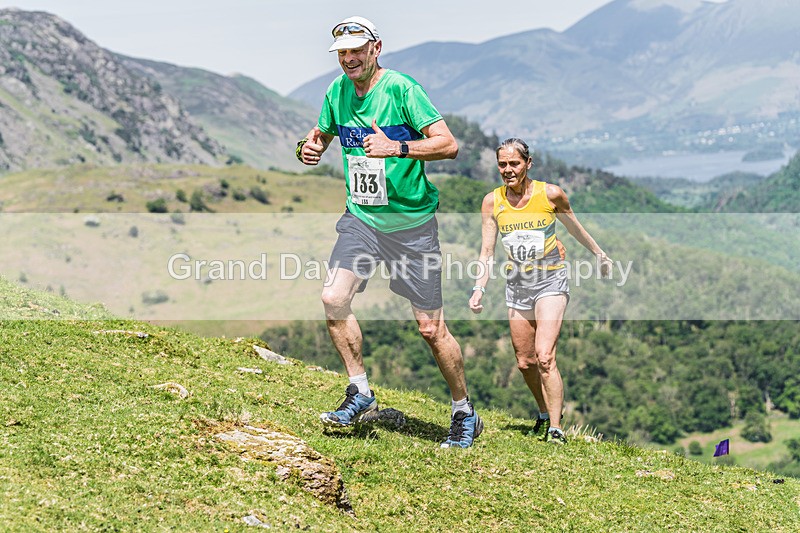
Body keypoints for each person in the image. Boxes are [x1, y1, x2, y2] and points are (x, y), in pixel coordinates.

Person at [297, 16, 482, 448]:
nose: (349, 59)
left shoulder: (401, 89)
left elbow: (448, 144)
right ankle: (359, 391)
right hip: (363, 220)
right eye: (342, 53)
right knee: (333, 297)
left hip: (412, 227)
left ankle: (463, 411)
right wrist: (309, 147)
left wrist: (397, 147)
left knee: (431, 329)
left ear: (376, 48)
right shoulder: (337, 91)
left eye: (357, 50)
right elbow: (322, 133)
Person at [468, 138, 612, 444]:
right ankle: (544, 412)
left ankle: (557, 429)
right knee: (525, 361)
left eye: (515, 164)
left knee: (545, 356)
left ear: (527, 164)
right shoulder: (492, 202)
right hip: (517, 285)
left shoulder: (551, 194)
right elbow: (487, 251)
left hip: (551, 281)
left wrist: (599, 253)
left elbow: (574, 227)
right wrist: (479, 287)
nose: (508, 170)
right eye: (502, 165)